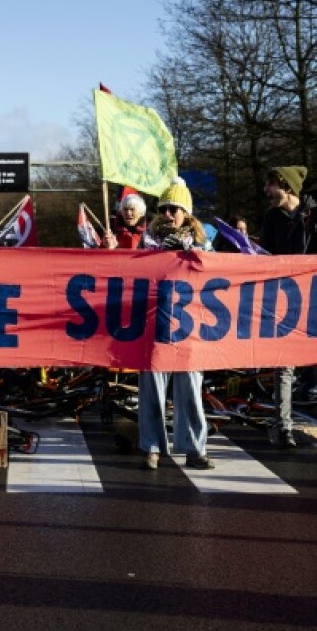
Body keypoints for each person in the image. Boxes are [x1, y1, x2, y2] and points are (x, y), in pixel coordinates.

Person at [259, 165, 317, 451]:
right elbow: (265, 257)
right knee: (283, 366)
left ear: (287, 187)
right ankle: (283, 427)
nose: (266, 192)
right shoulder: (272, 218)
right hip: (285, 303)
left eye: (271, 185)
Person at [137, 178, 215, 471]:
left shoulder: (203, 243)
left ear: (187, 214)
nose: (168, 214)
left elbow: (214, 273)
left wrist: (192, 252)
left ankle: (195, 448)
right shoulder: (147, 241)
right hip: (154, 326)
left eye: (175, 209)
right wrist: (157, 254)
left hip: (190, 328)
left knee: (191, 390)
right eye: (165, 208)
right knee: (152, 390)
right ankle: (152, 446)